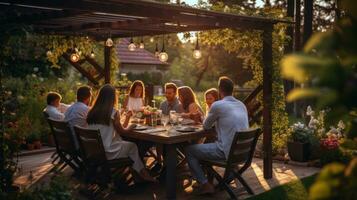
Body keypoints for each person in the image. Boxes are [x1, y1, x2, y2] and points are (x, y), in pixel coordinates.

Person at [185, 76, 249, 194]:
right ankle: (221, 179)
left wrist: (199, 118)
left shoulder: (218, 105)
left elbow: (206, 126)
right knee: (207, 145)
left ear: (220, 90)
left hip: (226, 152)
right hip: (243, 153)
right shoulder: (241, 104)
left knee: (189, 150)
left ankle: (204, 183)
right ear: (232, 90)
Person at [86, 84, 155, 182]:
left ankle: (138, 175)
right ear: (112, 97)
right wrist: (131, 127)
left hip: (93, 151)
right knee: (133, 146)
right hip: (108, 152)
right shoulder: (113, 112)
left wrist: (126, 118)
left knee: (130, 146)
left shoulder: (92, 111)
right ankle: (142, 175)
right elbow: (123, 131)